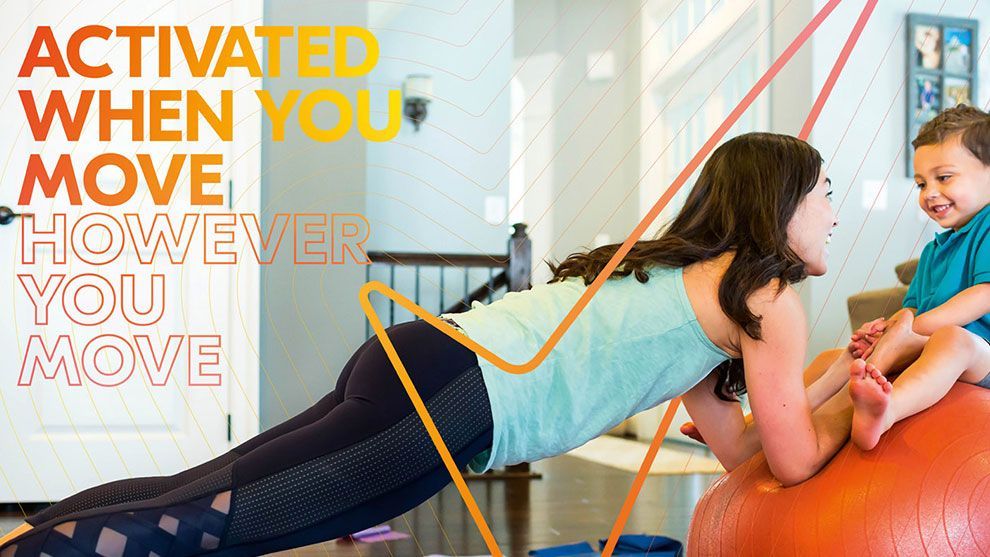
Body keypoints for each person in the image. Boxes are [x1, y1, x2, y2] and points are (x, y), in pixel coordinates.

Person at [0, 132, 855, 557]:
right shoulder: (768, 295)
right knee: (232, 517)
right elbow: (793, 455)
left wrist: (829, 383)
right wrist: (858, 394)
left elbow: (744, 446)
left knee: (211, 490)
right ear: (776, 204)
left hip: (430, 368)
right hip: (456, 390)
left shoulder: (706, 289)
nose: (834, 211)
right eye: (823, 193)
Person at [844, 105, 990, 451]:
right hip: (936, 348)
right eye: (922, 183)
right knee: (844, 357)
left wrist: (915, 329)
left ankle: (888, 409)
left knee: (953, 340)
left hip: (982, 356)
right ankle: (785, 419)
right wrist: (889, 328)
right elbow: (910, 308)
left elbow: (984, 294)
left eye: (944, 177)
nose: (929, 193)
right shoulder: (934, 251)